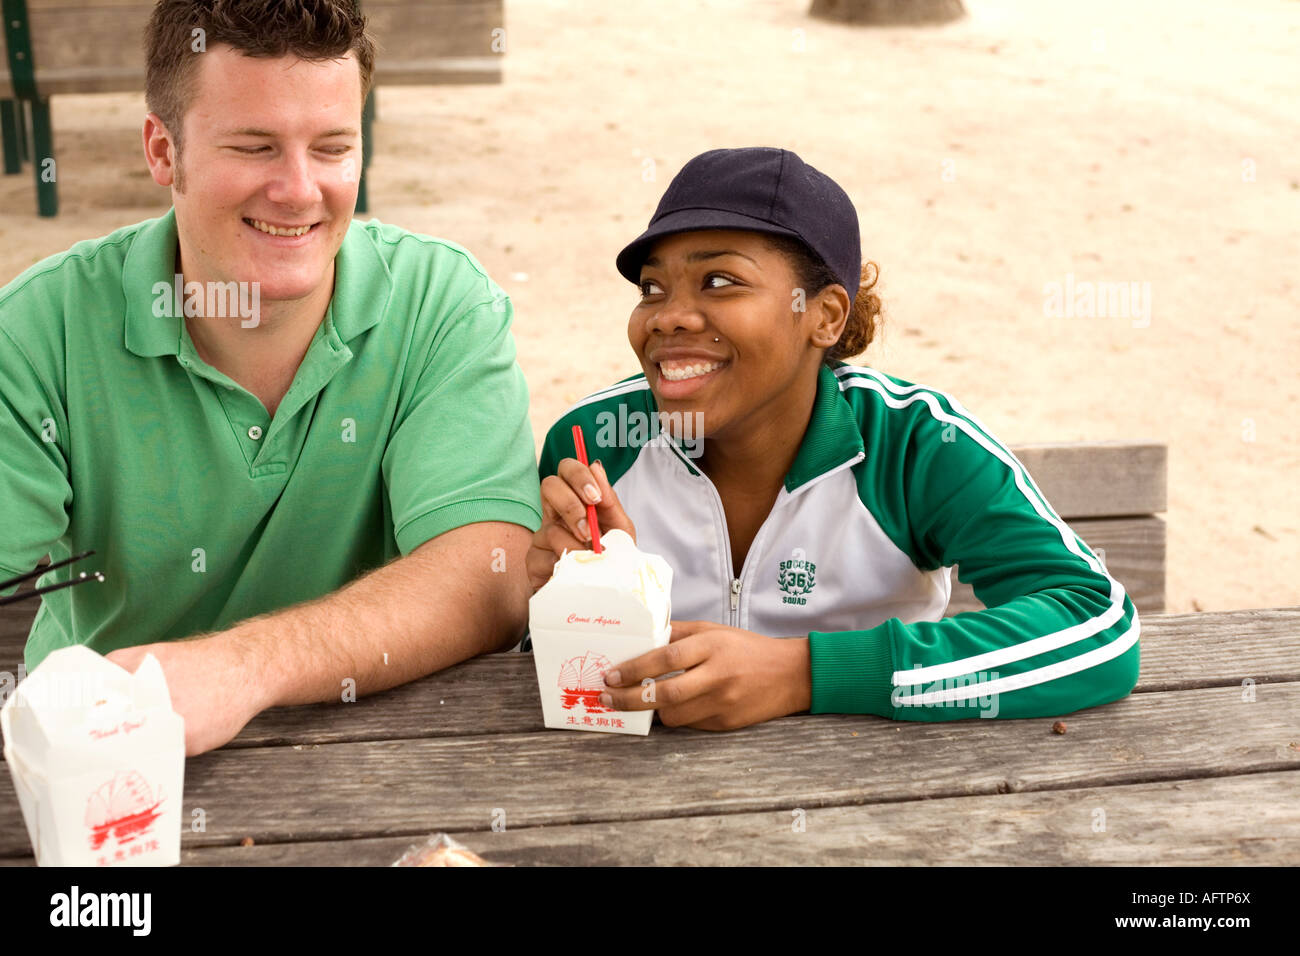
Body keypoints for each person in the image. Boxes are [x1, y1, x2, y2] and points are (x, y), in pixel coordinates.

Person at [0, 0, 542, 754]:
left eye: (332, 147)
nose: (298, 190)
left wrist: (241, 669)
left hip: (380, 752)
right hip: (105, 763)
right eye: (255, 147)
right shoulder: (36, 330)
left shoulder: (441, 302)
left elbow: (492, 571)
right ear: (163, 151)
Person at [529, 147, 1140, 730]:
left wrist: (805, 675)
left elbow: (1096, 626)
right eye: (652, 289)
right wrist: (599, 591)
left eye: (718, 282)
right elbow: (547, 664)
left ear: (825, 317)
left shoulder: (916, 445)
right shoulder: (597, 445)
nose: (666, 316)